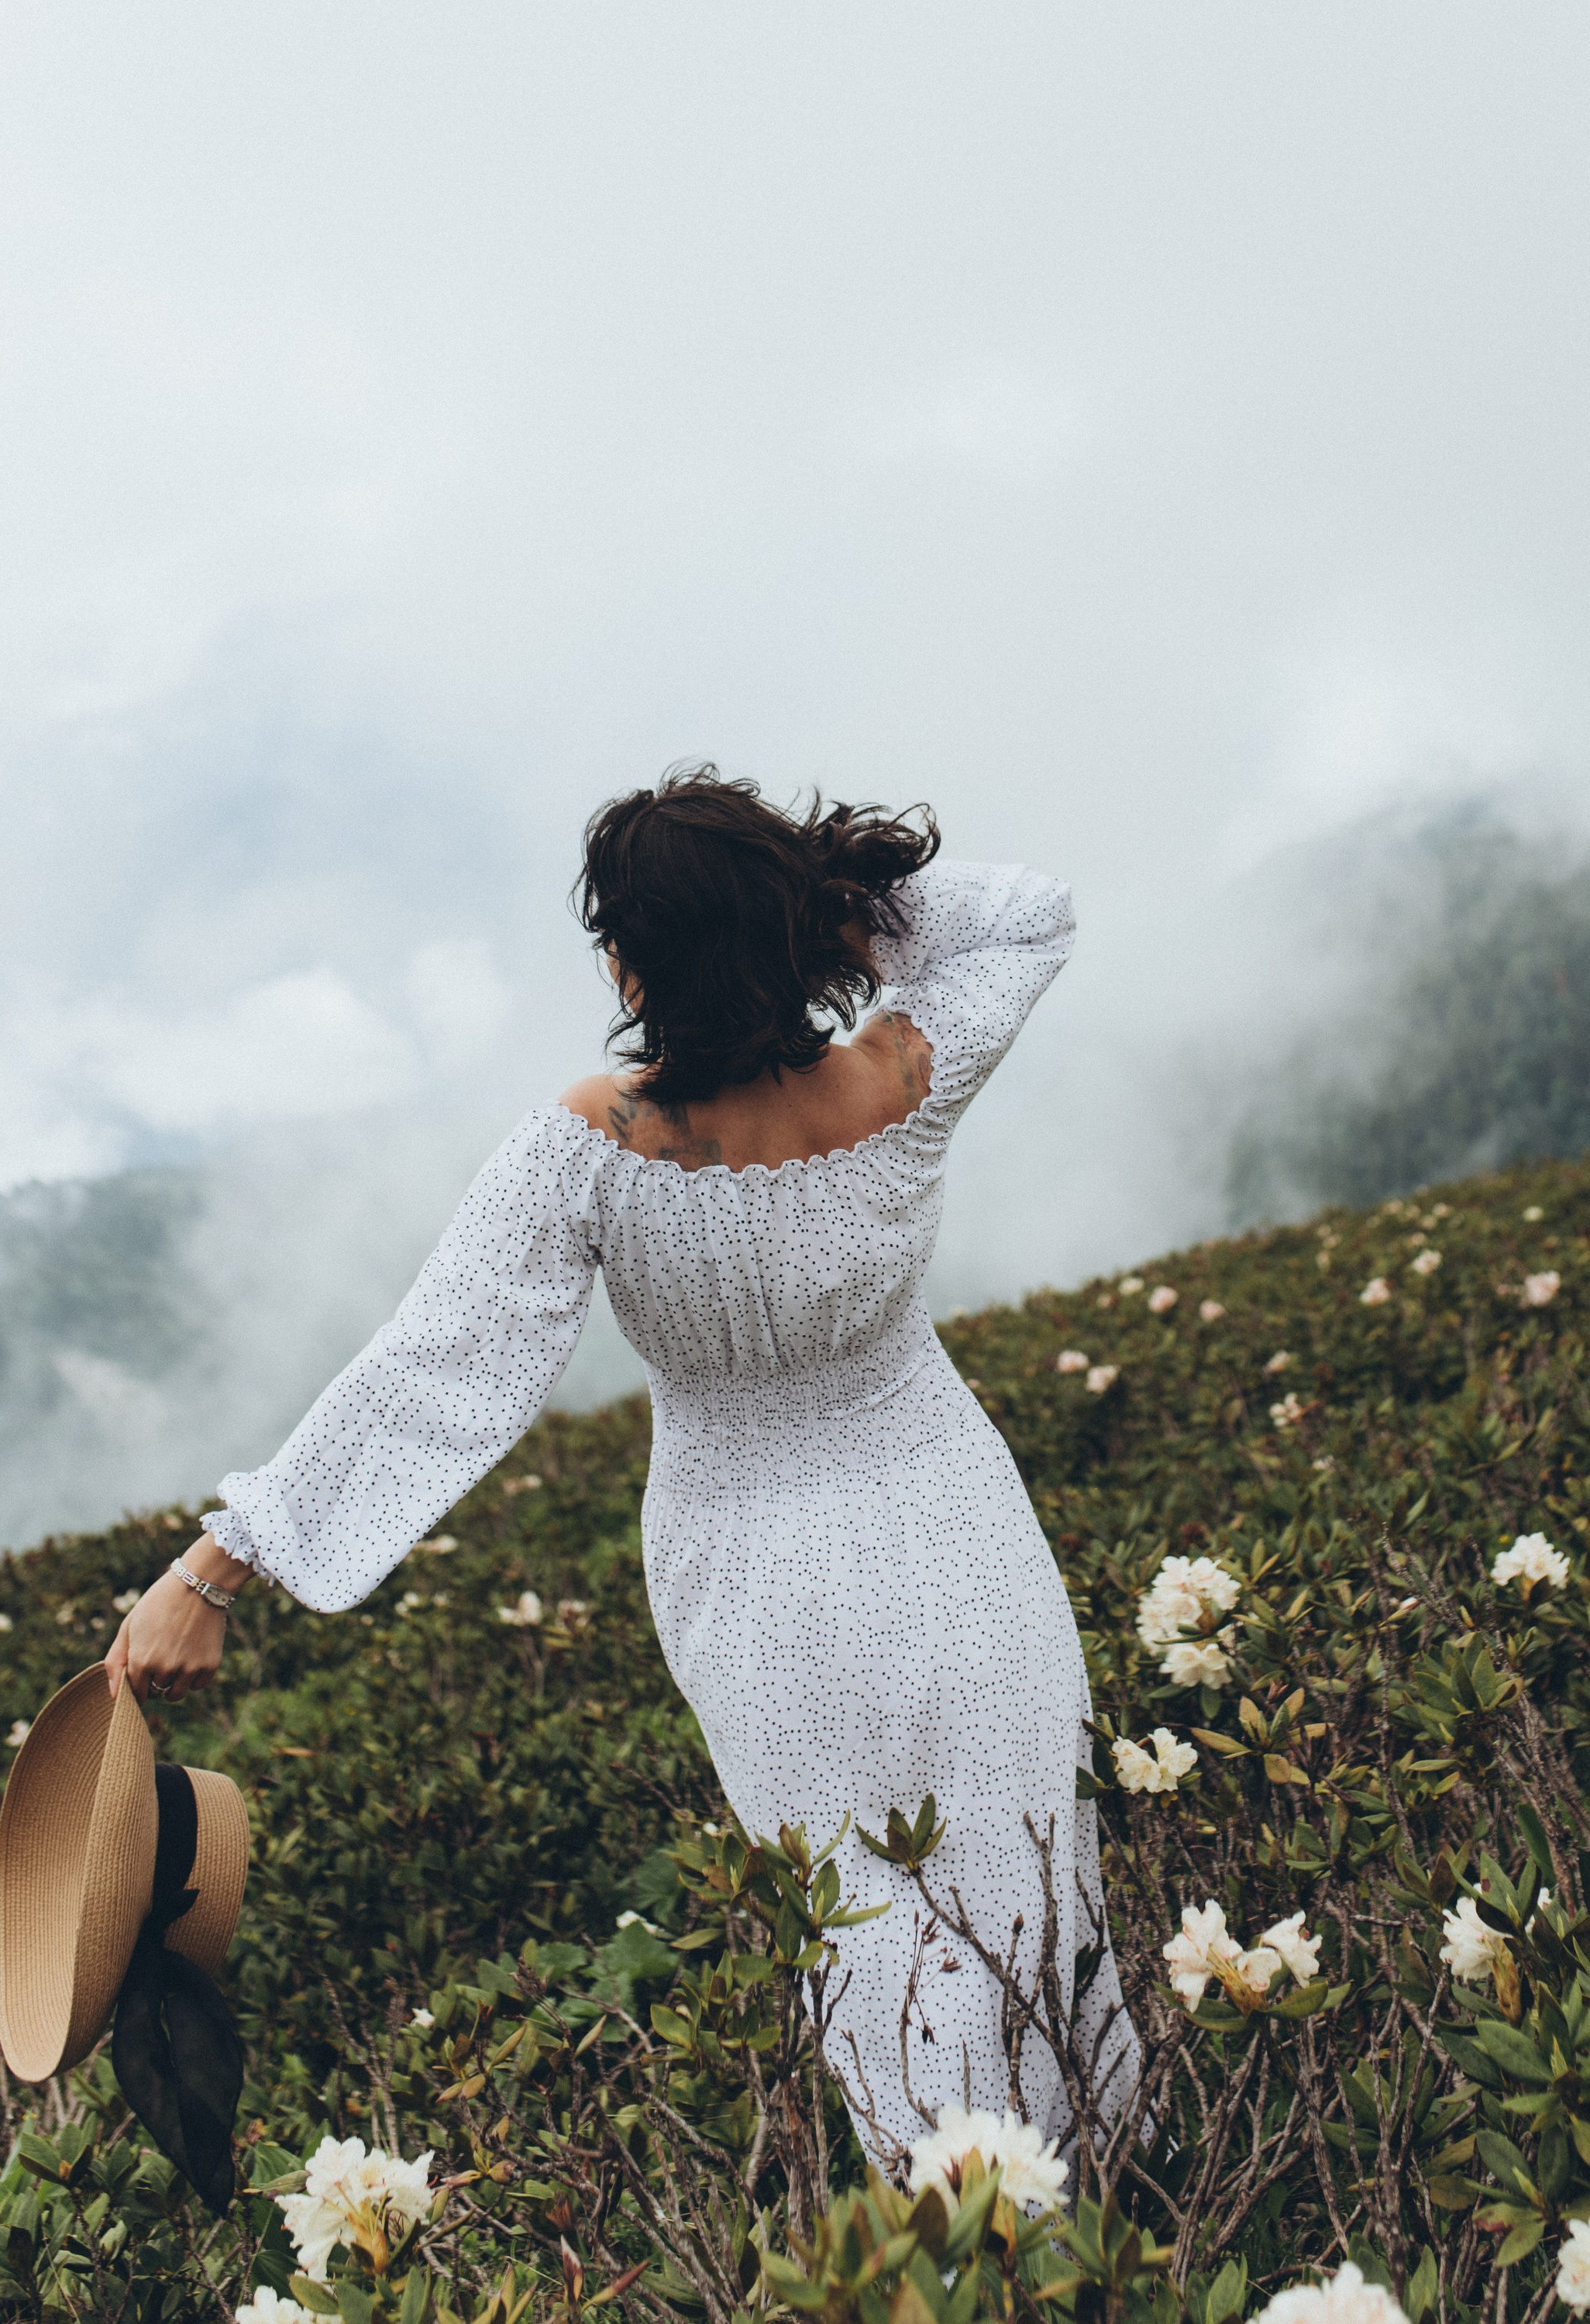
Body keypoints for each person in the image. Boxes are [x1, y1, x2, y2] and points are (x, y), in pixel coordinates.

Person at [106, 767, 1137, 2160]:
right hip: (951, 1511)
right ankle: (1108, 2190)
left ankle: (964, 2223)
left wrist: (215, 1570)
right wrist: (833, 906)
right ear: (794, 928)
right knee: (1024, 1868)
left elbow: (439, 1362)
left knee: (863, 1917)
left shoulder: (601, 1142)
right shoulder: (903, 1074)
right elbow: (1026, 915)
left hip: (754, 1572)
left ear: (631, 960)